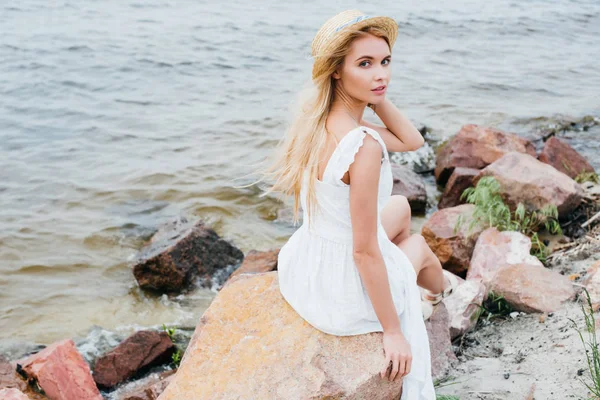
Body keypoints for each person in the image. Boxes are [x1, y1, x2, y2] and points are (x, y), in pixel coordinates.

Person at [257, 10, 458, 399]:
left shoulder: (319, 120)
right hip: (341, 288)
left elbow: (412, 140)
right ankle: (436, 297)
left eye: (385, 62)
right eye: (364, 64)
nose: (380, 74)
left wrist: (374, 95)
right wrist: (394, 331)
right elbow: (365, 252)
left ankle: (429, 292)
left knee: (399, 205)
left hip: (308, 261)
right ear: (336, 71)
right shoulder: (362, 146)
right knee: (417, 247)